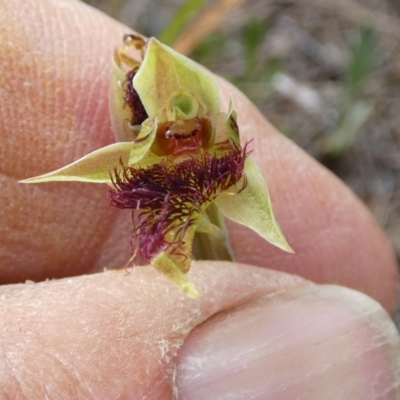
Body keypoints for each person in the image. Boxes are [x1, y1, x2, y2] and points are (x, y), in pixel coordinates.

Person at [0, 0, 399, 398]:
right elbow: (105, 165)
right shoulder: (147, 154)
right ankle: (180, 269)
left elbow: (262, 217)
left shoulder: (231, 161)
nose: (182, 128)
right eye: (170, 125)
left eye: (192, 120)